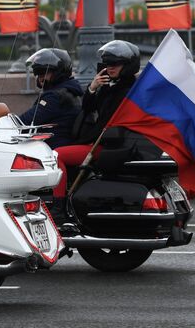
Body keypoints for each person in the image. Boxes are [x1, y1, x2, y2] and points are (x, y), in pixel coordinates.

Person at [50, 40, 141, 221]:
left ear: (128, 66)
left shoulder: (128, 91)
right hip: (102, 141)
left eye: (115, 64)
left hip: (106, 145)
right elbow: (89, 108)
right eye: (107, 64)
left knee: (56, 155)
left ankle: (58, 209)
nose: (110, 68)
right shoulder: (113, 86)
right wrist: (93, 88)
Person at [20, 48, 83, 149]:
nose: (40, 77)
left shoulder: (55, 97)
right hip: (56, 143)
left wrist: (4, 123)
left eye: (44, 72)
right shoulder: (70, 91)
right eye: (38, 73)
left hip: (51, 147)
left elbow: (25, 122)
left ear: (59, 72)